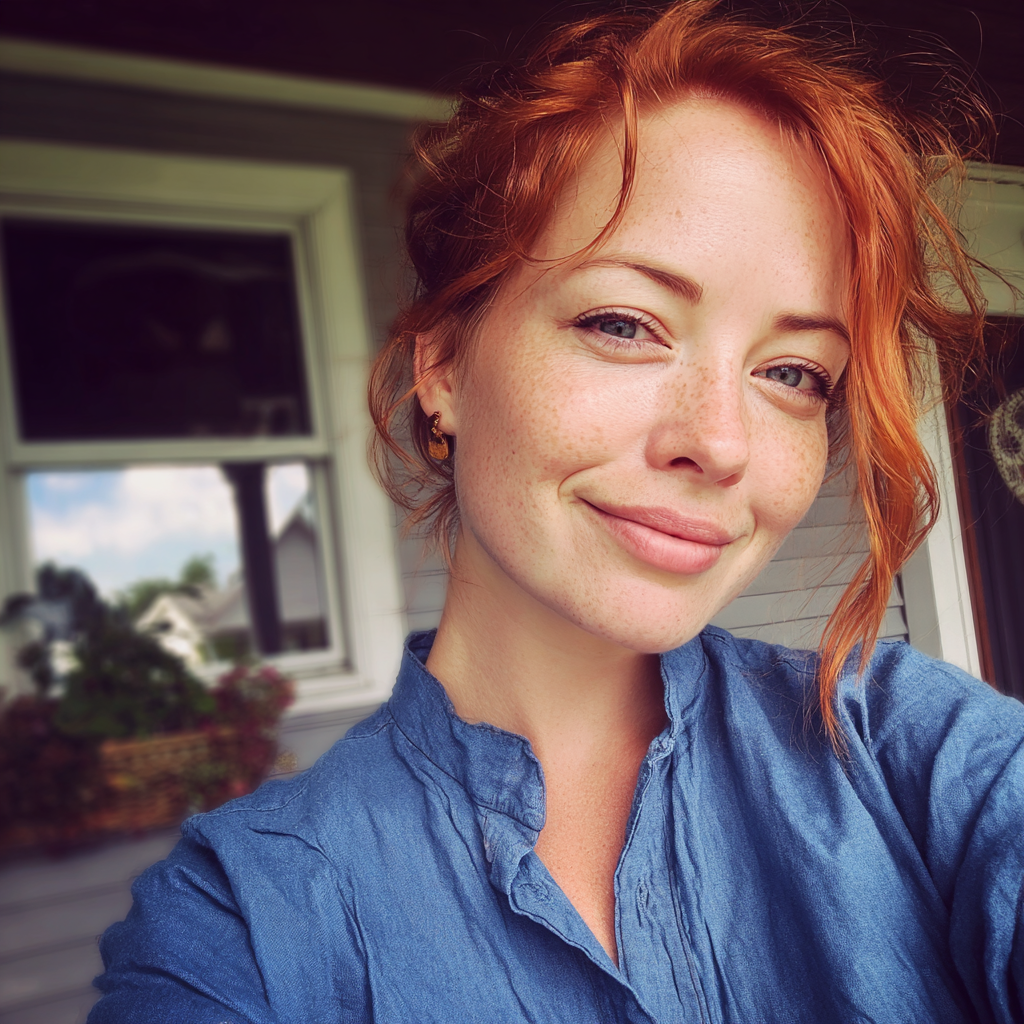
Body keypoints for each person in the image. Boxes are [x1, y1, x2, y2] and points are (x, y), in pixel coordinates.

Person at [89, 2, 1023, 1021]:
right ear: (443, 367)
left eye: (793, 372)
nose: (720, 443)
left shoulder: (909, 753)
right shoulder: (244, 926)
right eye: (623, 323)